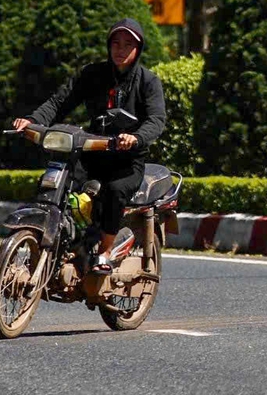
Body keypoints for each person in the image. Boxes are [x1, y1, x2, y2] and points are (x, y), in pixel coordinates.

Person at [11, 18, 165, 271]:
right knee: (58, 180)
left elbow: (156, 119)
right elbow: (60, 102)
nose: (121, 49)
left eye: (128, 44)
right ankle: (68, 239)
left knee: (115, 191)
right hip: (91, 152)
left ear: (138, 49)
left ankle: (105, 252)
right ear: (108, 45)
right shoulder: (92, 74)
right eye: (116, 43)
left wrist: (135, 138)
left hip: (126, 161)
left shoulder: (148, 82)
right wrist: (32, 121)